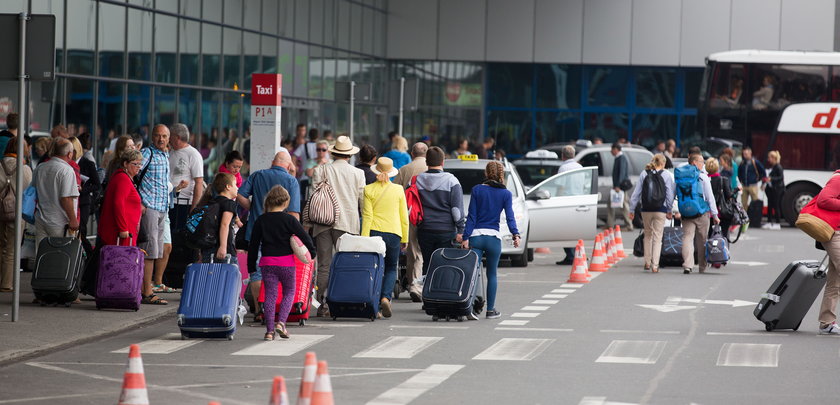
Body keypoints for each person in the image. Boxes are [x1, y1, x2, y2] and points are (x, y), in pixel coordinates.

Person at [237, 150, 301, 321]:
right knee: (280, 273)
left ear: (273, 161)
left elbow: (239, 195)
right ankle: (277, 311)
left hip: (256, 231)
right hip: (281, 236)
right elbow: (294, 213)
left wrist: (252, 207)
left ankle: (259, 310)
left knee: (257, 273)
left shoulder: (258, 175)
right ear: (288, 165)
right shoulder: (291, 181)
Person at [248, 185, 316, 340]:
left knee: (271, 296)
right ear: (285, 202)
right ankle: (281, 324)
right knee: (289, 292)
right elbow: (304, 237)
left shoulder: (261, 220)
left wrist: (251, 266)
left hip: (267, 264)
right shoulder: (289, 219)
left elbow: (253, 245)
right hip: (286, 264)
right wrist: (312, 252)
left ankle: (269, 331)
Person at [308, 136, 365, 317]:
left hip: (323, 222)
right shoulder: (358, 174)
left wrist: (308, 223)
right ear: (349, 155)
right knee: (345, 264)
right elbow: (362, 201)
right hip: (347, 223)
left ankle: (321, 304)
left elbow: (313, 198)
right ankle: (341, 301)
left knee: (324, 264)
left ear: (332, 153)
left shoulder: (321, 170)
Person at [461, 161, 520, 319]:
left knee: (472, 273)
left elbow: (471, 216)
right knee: (492, 274)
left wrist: (466, 237)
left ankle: (469, 309)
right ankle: (490, 310)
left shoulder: (477, 190)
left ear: (486, 173)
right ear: (502, 175)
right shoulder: (505, 194)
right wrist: (516, 234)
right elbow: (510, 217)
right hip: (493, 238)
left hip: (477, 236)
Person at [361, 157, 409, 319]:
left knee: (375, 268)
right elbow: (404, 217)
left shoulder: (368, 190)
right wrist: (405, 237)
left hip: (374, 232)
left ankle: (374, 304)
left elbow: (367, 216)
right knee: (390, 267)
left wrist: (364, 238)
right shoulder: (398, 190)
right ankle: (385, 297)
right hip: (394, 233)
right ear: (391, 173)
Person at [416, 146, 465, 275]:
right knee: (443, 264)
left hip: (424, 229)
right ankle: (440, 292)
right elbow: (456, 210)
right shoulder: (452, 181)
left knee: (427, 262)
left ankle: (426, 291)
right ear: (443, 162)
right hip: (446, 231)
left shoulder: (416, 180)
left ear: (426, 162)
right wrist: (461, 229)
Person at [137, 125, 171, 305]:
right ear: (152, 136)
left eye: (164, 136)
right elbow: (133, 174)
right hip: (149, 207)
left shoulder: (166, 155)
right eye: (158, 136)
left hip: (162, 208)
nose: (161, 139)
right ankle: (147, 292)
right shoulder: (146, 154)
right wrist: (140, 201)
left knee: (156, 251)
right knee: (149, 251)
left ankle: (146, 288)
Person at [393, 142, 429, 302]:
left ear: (412, 154)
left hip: (409, 215)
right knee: (421, 252)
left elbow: (394, 191)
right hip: (430, 215)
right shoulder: (431, 167)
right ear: (426, 154)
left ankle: (413, 284)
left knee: (413, 251)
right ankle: (417, 284)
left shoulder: (405, 169)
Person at [629, 154, 676, 274]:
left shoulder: (644, 173)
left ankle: (647, 262)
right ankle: (655, 265)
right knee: (657, 237)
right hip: (660, 209)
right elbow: (670, 194)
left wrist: (632, 210)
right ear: (663, 163)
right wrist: (669, 210)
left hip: (646, 209)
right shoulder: (666, 174)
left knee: (648, 235)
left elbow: (636, 193)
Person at [32, 138, 79, 249]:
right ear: (69, 154)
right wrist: (73, 219)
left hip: (41, 218)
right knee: (59, 256)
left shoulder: (40, 167)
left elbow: (33, 190)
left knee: (42, 254)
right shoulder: (66, 170)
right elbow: (66, 198)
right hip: (60, 222)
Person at [678, 154, 720, 274]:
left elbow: (676, 193)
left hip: (686, 211)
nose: (704, 164)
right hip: (702, 212)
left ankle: (687, 265)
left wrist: (673, 209)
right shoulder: (703, 177)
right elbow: (710, 197)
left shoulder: (682, 175)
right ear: (695, 162)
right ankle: (702, 266)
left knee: (687, 237)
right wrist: (715, 215)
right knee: (702, 240)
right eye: (702, 161)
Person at [0, 137, 32, 291]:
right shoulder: (24, 169)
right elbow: (29, 191)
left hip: (0, 210)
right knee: (12, 249)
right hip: (15, 212)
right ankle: (6, 284)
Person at [98, 149, 143, 247]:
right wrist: (123, 228)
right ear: (125, 163)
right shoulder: (123, 179)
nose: (138, 167)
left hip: (126, 232)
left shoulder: (125, 177)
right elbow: (118, 203)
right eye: (135, 164)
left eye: (140, 164)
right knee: (121, 260)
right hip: (121, 234)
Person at [196, 173, 239, 264]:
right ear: (228, 187)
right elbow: (224, 224)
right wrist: (223, 247)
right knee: (230, 277)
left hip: (208, 249)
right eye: (235, 184)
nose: (237, 188)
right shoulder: (230, 203)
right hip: (224, 251)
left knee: (209, 277)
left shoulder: (210, 202)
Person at [169, 123, 205, 230]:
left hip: (183, 203)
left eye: (170, 136)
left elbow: (199, 183)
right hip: (169, 201)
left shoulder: (193, 154)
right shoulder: (170, 152)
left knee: (179, 236)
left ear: (177, 137)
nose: (169, 139)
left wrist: (194, 209)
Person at [71, 136, 101, 254]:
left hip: (83, 202)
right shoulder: (67, 164)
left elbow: (97, 184)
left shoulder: (87, 163)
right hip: (70, 201)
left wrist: (83, 189)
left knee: (81, 231)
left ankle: (90, 257)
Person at [556, 145, 583, 265]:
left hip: (566, 202)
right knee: (576, 230)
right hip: (579, 201)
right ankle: (576, 254)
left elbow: (560, 187)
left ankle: (570, 255)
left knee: (564, 230)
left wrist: (555, 200)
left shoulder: (563, 168)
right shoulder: (580, 167)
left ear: (563, 155)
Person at [608, 142, 633, 231]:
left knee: (624, 206)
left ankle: (629, 225)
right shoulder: (618, 158)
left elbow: (621, 173)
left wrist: (618, 185)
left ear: (616, 149)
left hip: (621, 187)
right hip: (617, 186)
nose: (611, 151)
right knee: (611, 204)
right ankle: (610, 225)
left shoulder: (621, 158)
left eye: (612, 149)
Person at [707, 157, 734, 238]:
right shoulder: (723, 179)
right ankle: (723, 249)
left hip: (708, 212)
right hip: (721, 212)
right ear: (717, 167)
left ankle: (711, 249)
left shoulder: (704, 179)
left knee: (709, 234)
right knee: (724, 234)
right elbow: (729, 195)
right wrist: (737, 189)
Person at [763, 150, 784, 230]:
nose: (768, 159)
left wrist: (771, 178)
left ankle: (777, 223)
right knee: (770, 205)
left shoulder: (778, 167)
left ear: (774, 158)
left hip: (777, 189)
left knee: (776, 206)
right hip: (771, 189)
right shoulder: (773, 167)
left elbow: (781, 178)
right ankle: (769, 222)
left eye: (769, 158)